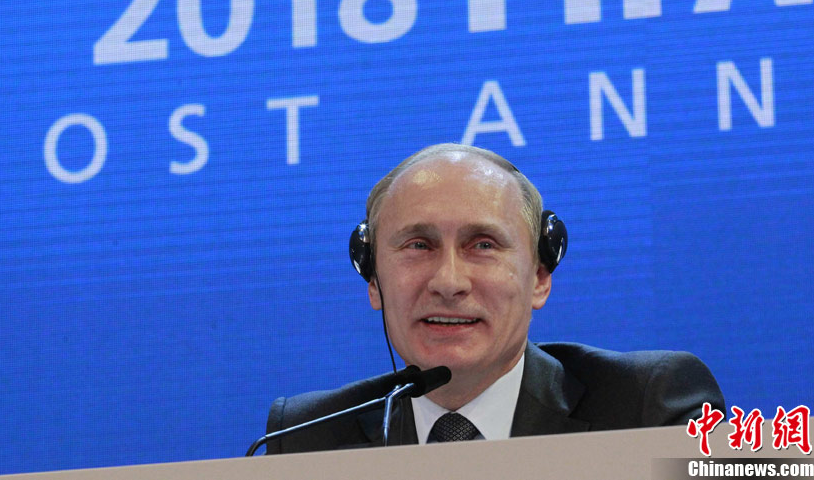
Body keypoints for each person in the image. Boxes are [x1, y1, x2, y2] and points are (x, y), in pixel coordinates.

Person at [264, 143, 724, 453]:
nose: (448, 281)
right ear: (373, 280)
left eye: (482, 245)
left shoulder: (646, 407)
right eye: (419, 245)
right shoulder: (308, 437)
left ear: (540, 276)